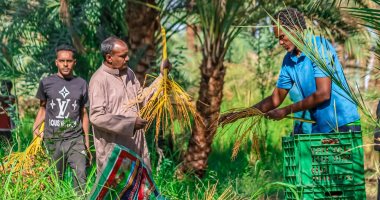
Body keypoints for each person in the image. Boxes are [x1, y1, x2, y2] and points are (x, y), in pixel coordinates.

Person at [221, 7, 360, 133]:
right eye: (278, 39)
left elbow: (323, 94)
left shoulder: (319, 46)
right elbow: (275, 99)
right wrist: (239, 114)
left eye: (282, 37)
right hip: (320, 126)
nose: (280, 43)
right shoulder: (288, 61)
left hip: (343, 122)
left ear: (295, 28)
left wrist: (286, 110)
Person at [89, 36, 171, 174]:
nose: (127, 59)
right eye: (123, 56)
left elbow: (141, 99)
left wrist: (162, 77)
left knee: (141, 191)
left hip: (136, 145)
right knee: (117, 192)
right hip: (114, 150)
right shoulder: (99, 80)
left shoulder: (129, 73)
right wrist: (130, 124)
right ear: (109, 58)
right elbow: (96, 117)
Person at [33, 44, 91, 192]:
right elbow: (43, 109)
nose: (65, 64)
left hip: (75, 140)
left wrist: (86, 142)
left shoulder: (82, 84)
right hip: (52, 139)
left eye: (69, 61)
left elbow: (84, 113)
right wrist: (35, 130)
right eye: (62, 60)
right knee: (53, 182)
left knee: (81, 178)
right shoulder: (46, 83)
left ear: (74, 62)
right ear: (56, 62)